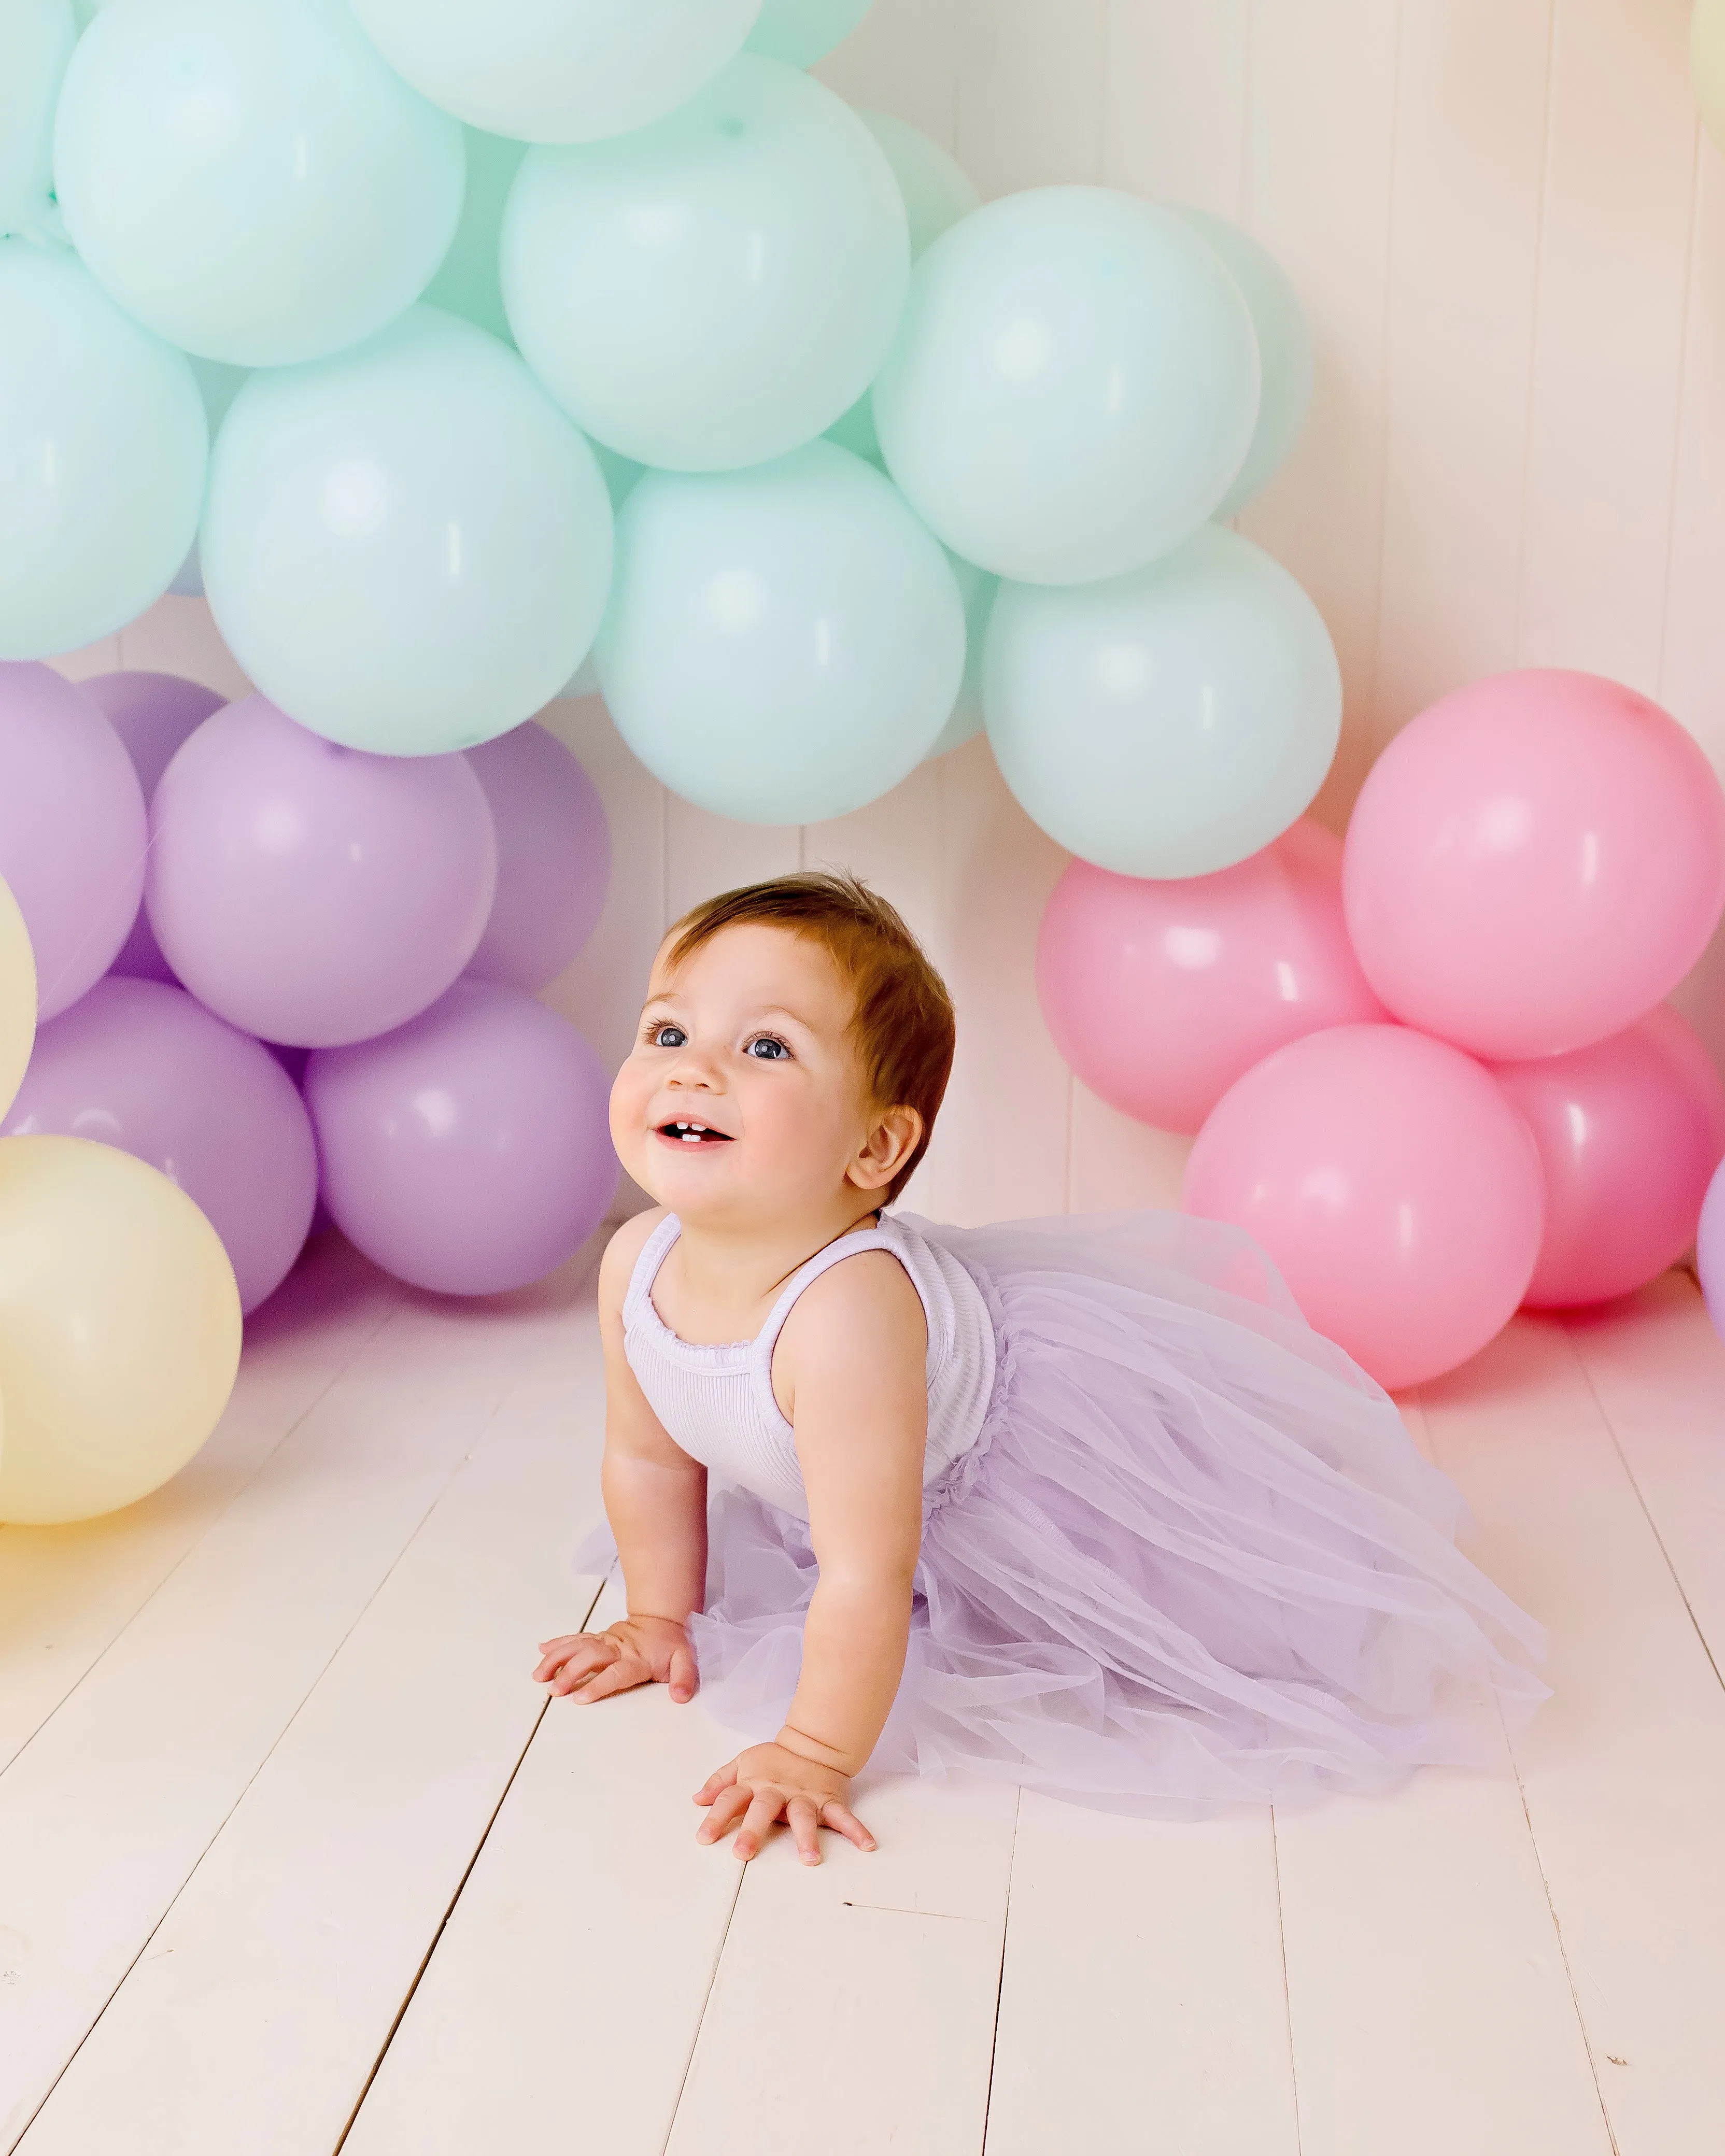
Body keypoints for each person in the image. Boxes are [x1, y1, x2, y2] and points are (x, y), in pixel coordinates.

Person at [533, 872, 1546, 1866]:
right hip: (852, 1465)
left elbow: (864, 1571)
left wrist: (813, 1748)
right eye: (666, 1032)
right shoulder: (633, 1261)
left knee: (1191, 1619)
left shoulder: (845, 1320)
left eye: (764, 1047)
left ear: (875, 1146)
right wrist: (655, 1618)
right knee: (835, 1502)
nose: (691, 1070)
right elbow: (654, 1462)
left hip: (1027, 1469)